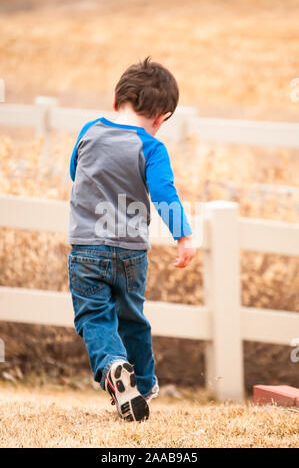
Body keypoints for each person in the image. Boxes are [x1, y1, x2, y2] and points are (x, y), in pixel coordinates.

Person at [66, 57, 196, 422]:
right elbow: (163, 193)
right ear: (162, 118)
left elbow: (74, 171)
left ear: (114, 100)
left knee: (95, 316)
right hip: (131, 254)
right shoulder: (151, 147)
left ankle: (112, 368)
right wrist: (183, 235)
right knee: (132, 318)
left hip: (86, 250)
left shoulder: (90, 130)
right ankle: (144, 384)